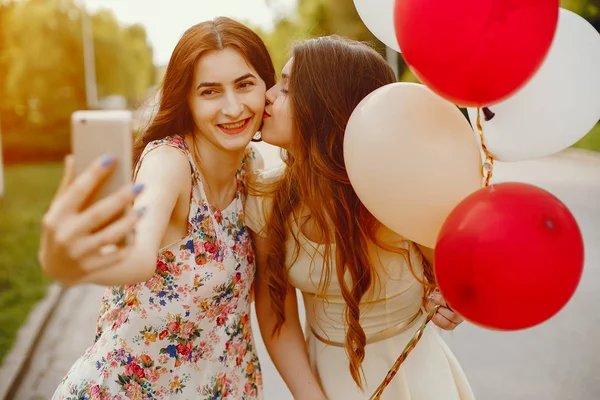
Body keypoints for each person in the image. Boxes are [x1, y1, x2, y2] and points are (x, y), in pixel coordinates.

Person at [41, 17, 274, 399]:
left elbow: (271, 310)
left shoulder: (252, 170)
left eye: (244, 84)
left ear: (265, 86)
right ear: (187, 100)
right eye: (210, 92)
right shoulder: (170, 162)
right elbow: (139, 255)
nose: (233, 107)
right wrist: (65, 264)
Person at [246, 35, 475, 400]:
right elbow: (277, 316)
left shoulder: (397, 188)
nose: (268, 96)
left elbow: (455, 281)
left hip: (413, 378)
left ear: (324, 108)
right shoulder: (265, 197)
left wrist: (452, 301)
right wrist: (311, 396)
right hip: (325, 379)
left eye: (287, 89)